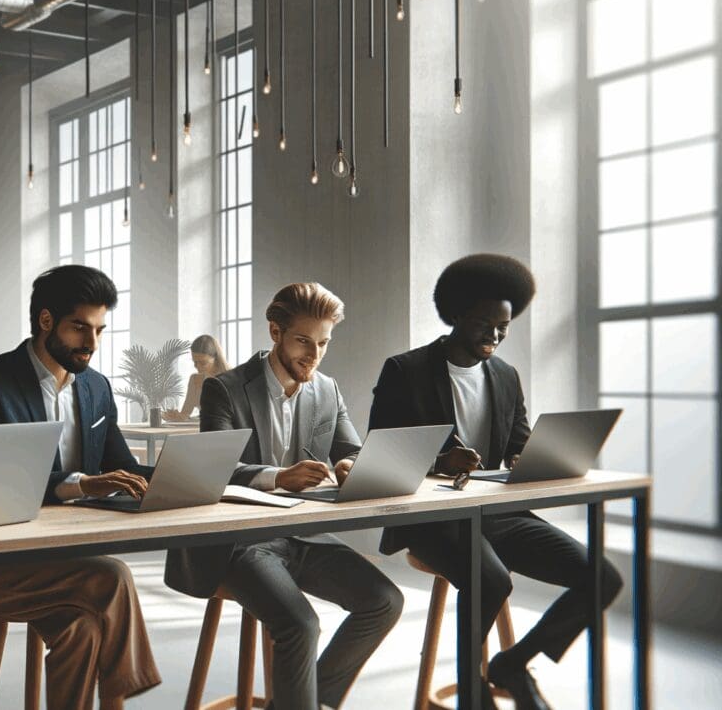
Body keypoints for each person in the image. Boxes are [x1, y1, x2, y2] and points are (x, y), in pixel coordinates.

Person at [369, 253, 623, 710]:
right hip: (431, 519)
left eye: (504, 326)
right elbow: (382, 452)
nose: (496, 335)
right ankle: (471, 691)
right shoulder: (405, 370)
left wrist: (529, 457)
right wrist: (443, 460)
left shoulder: (505, 376)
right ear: (458, 314)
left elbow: (519, 443)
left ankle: (512, 663)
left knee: (602, 577)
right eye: (486, 323)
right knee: (491, 580)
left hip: (497, 514)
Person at [165, 283, 403, 710]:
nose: (314, 355)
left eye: (324, 343)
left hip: (301, 534)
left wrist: (351, 466)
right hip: (236, 540)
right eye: (303, 341)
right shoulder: (225, 388)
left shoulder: (326, 389)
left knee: (384, 602)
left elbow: (348, 450)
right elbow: (213, 470)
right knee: (300, 624)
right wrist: (277, 477)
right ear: (275, 333)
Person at [0, 265, 162, 710]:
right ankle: (125, 694)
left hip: (65, 559)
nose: (93, 343)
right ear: (46, 321)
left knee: (82, 629)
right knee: (114, 575)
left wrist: (183, 476)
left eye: (100, 329)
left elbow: (120, 466)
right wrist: (81, 484)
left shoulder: (97, 388)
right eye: (80, 327)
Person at [163, 334, 229, 421]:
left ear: (216, 358)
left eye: (203, 363)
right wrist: (176, 416)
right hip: (202, 429)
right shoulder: (195, 379)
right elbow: (185, 413)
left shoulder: (229, 379)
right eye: (195, 362)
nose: (197, 367)